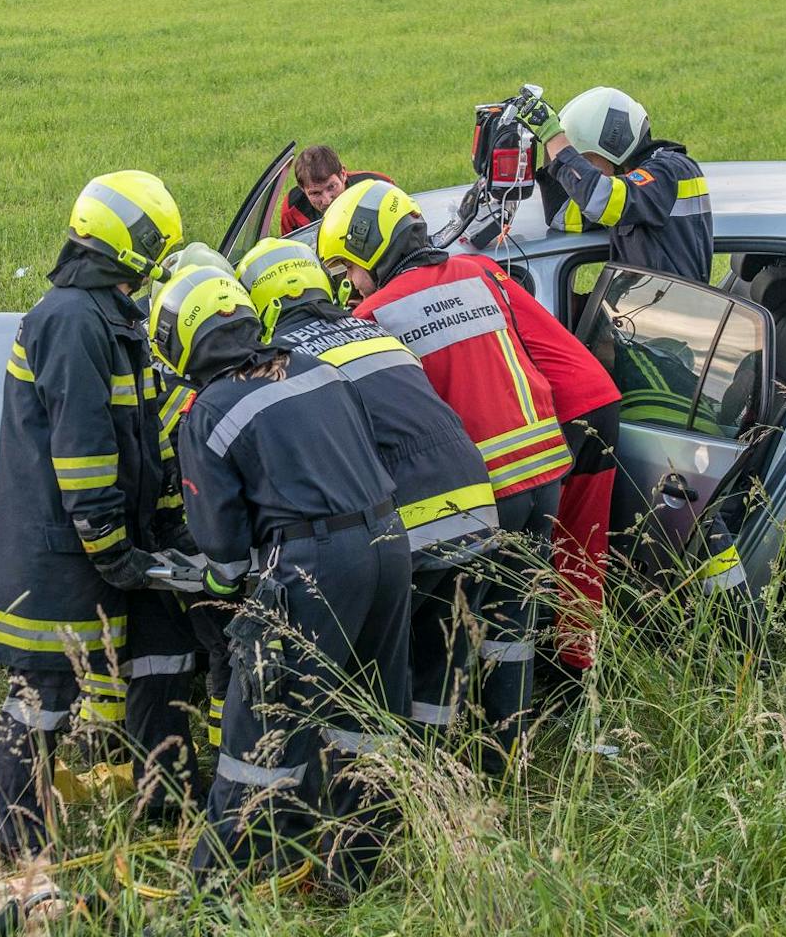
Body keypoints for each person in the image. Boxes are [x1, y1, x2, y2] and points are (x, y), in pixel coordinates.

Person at [149, 264, 411, 894]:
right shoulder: (316, 368)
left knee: (259, 724)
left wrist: (211, 586)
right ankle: (356, 871)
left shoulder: (209, 408)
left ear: (183, 338)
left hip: (313, 564)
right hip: (390, 544)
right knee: (367, 715)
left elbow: (225, 550)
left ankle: (220, 892)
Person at [318, 179, 573, 774]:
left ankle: (437, 777)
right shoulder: (479, 274)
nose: (352, 282)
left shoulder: (374, 313)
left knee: (443, 640)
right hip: (543, 474)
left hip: (481, 490)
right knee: (514, 626)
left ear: (373, 249)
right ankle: (507, 758)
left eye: (350, 268)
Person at [0, 170, 199, 860]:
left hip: (91, 548)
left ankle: (160, 803)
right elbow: (83, 454)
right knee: (38, 708)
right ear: (130, 246)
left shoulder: (105, 314)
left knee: (152, 663)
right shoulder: (73, 321)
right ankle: (23, 854)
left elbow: (139, 432)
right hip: (57, 560)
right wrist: (114, 549)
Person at [235, 238, 498, 735]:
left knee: (371, 675)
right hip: (476, 506)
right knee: (438, 669)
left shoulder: (290, 362)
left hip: (407, 523)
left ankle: (367, 792)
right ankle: (434, 786)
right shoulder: (370, 330)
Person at [516, 87, 713, 283]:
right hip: (645, 307)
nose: (586, 171)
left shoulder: (669, 172)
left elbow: (600, 199)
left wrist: (553, 136)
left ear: (614, 145)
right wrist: (550, 147)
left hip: (669, 310)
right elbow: (562, 215)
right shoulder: (631, 188)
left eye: (587, 161)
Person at [278, 145, 394, 235]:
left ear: (343, 175)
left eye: (331, 187)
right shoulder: (292, 210)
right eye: (315, 193)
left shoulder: (380, 187)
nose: (327, 200)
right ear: (302, 188)